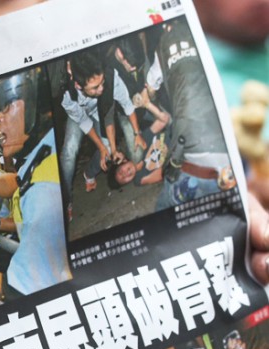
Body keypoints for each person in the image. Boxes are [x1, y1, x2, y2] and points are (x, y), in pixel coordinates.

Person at [0, 68, 72, 296]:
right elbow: (16, 184)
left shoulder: (43, 190)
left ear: (38, 106)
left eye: (7, 106)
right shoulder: (39, 154)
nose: (0, 119)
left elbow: (17, 289)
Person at [145, 20, 239, 209]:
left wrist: (150, 96)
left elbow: (151, 85)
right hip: (232, 145)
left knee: (165, 209)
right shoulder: (210, 31)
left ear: (166, 26)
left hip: (197, 155)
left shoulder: (162, 45)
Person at [59, 49, 145, 196]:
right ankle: (65, 198)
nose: (101, 89)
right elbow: (84, 122)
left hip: (99, 111)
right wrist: (100, 146)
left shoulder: (110, 76)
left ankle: (89, 174)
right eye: (95, 87)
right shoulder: (67, 94)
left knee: (108, 151)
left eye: (102, 82)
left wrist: (136, 134)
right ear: (79, 85)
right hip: (78, 115)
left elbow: (121, 107)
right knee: (69, 152)